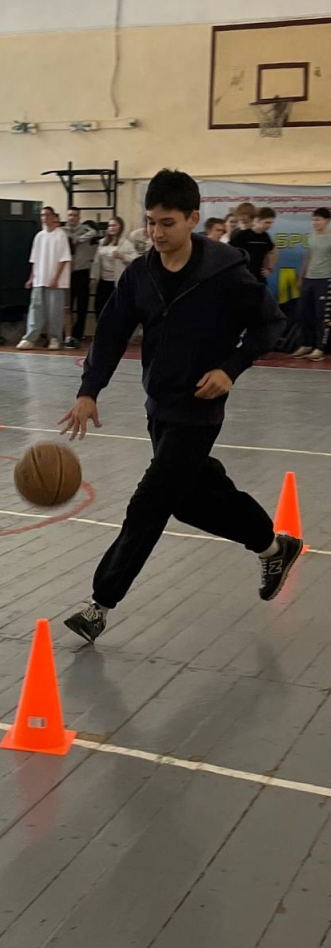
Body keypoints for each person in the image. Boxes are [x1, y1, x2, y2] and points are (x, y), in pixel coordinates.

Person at [58, 169, 299, 647]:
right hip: (160, 405)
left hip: (201, 409)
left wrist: (230, 368)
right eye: (150, 222)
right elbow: (111, 333)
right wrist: (89, 390)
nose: (156, 233)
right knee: (188, 498)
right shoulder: (140, 275)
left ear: (192, 218)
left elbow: (270, 324)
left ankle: (99, 605)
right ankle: (273, 545)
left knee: (149, 502)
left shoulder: (226, 273)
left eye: (167, 223)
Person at [16, 206, 72, 352]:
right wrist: (31, 278)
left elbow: (64, 259)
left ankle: (55, 338)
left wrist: (56, 278)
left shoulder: (60, 235)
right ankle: (30, 338)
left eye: (47, 215)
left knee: (55, 311)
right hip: (39, 279)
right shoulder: (39, 236)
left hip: (55, 281)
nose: (44, 218)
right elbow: (34, 260)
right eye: (42, 215)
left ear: (54, 217)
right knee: (36, 309)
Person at [292, 206, 331, 361]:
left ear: (326, 221)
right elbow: (308, 256)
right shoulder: (312, 236)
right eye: (314, 220)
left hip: (325, 279)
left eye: (318, 220)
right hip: (309, 278)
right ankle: (306, 344)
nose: (315, 222)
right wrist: (301, 277)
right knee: (302, 312)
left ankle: (319, 347)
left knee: (321, 315)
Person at [63, 207, 98, 349]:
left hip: (82, 271)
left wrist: (77, 239)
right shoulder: (62, 231)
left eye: (75, 215)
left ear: (79, 217)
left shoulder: (86, 230)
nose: (72, 217)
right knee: (67, 306)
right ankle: (67, 334)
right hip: (67, 272)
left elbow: (94, 232)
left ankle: (78, 334)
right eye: (70, 215)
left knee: (82, 306)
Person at [91, 216, 137, 322]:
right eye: (110, 225)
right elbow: (96, 262)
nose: (111, 228)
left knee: (116, 309)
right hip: (103, 281)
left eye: (114, 225)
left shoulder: (126, 243)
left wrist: (122, 256)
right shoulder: (103, 243)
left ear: (120, 227)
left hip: (117, 282)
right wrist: (93, 277)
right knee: (99, 307)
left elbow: (136, 259)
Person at [230, 207, 278, 284]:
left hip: (259, 276)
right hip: (243, 275)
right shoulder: (243, 234)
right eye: (267, 222)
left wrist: (269, 269)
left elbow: (273, 252)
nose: (269, 225)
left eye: (271, 223)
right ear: (258, 220)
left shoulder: (266, 237)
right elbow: (229, 250)